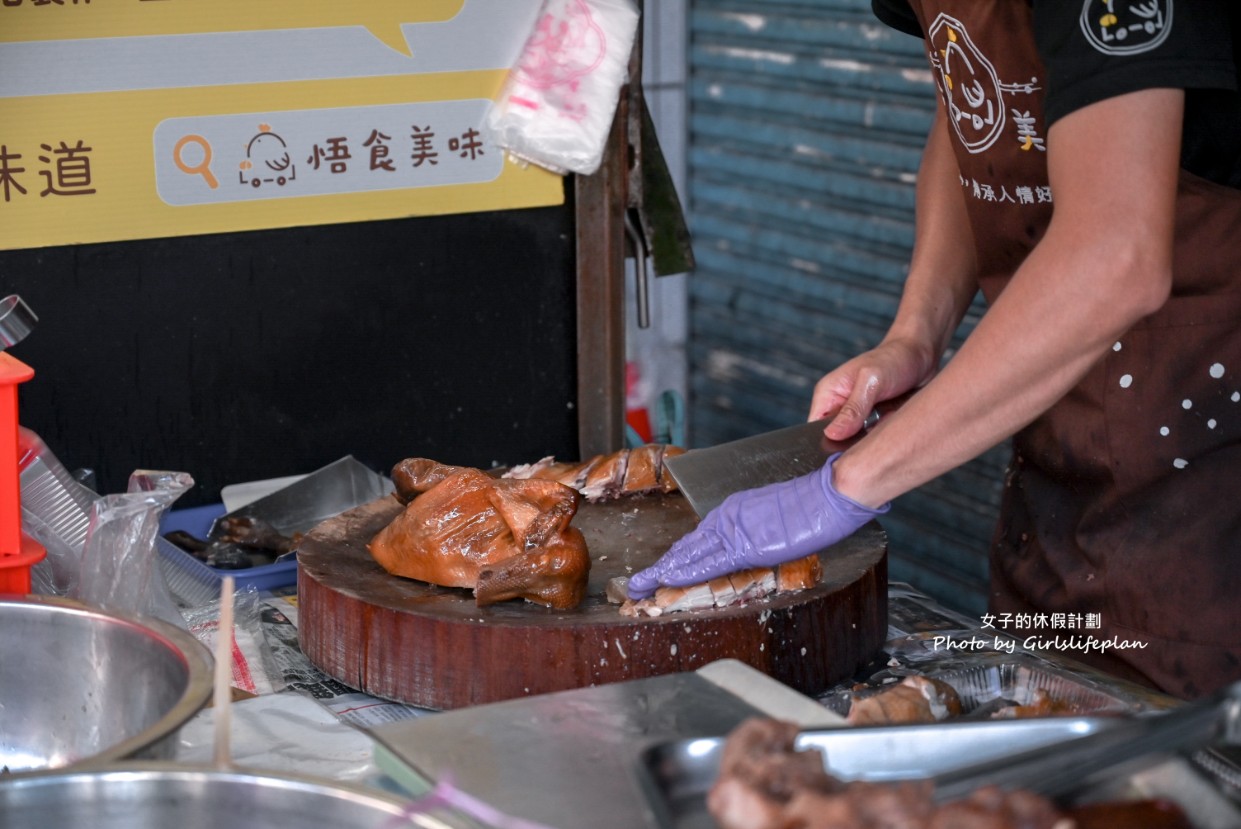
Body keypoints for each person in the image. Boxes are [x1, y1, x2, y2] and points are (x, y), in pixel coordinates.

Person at [630, 0, 1241, 701]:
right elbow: (968, 111)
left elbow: (1114, 257)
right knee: (1042, 727)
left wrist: (848, 484)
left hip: (1207, 470)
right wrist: (914, 335)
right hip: (1062, 463)